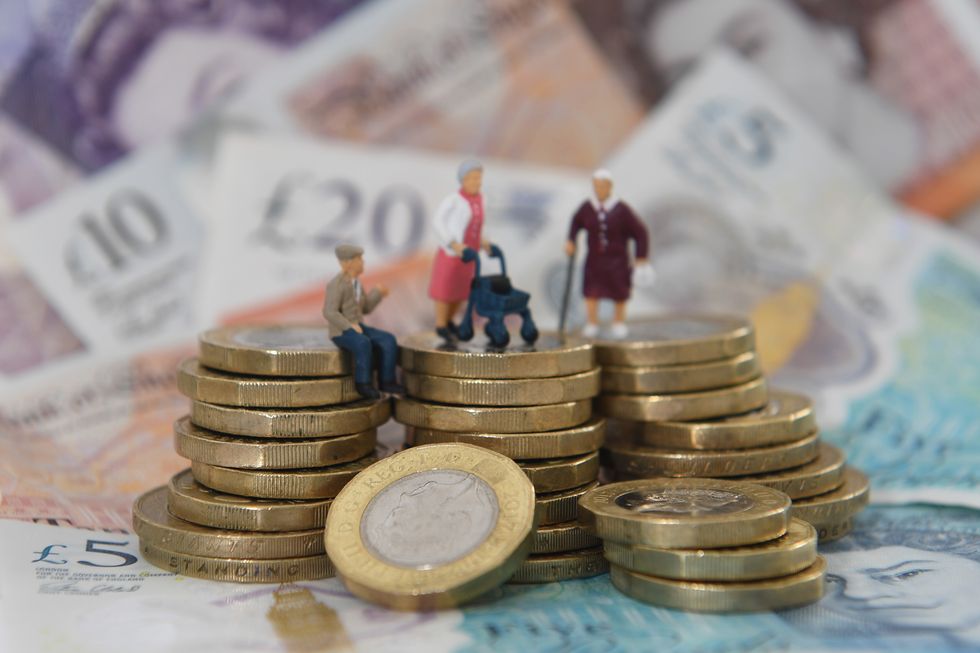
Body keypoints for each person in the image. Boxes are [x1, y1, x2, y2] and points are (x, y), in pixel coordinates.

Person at [565, 169, 652, 339]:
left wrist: (641, 257)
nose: (599, 190)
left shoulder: (621, 210)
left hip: (617, 261)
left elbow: (640, 232)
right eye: (596, 186)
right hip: (594, 260)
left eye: (602, 186)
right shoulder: (588, 207)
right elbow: (576, 222)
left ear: (610, 186)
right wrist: (571, 240)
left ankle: (618, 322)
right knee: (591, 292)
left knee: (619, 292)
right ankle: (592, 322)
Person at [322, 244, 403, 400]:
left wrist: (377, 293)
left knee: (388, 340)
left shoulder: (357, 283)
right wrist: (348, 325)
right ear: (348, 263)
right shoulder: (336, 285)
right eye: (359, 259)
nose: (363, 262)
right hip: (341, 331)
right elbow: (329, 311)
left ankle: (387, 381)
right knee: (362, 343)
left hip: (359, 326)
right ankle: (363, 384)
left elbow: (365, 308)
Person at [429, 159, 493, 341]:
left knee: (462, 290)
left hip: (470, 255)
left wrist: (485, 242)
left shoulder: (483, 199)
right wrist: (452, 243)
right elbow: (437, 221)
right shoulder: (453, 200)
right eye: (472, 178)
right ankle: (440, 324)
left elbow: (481, 224)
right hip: (452, 254)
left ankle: (450, 321)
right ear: (463, 180)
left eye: (479, 178)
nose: (476, 182)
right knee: (445, 289)